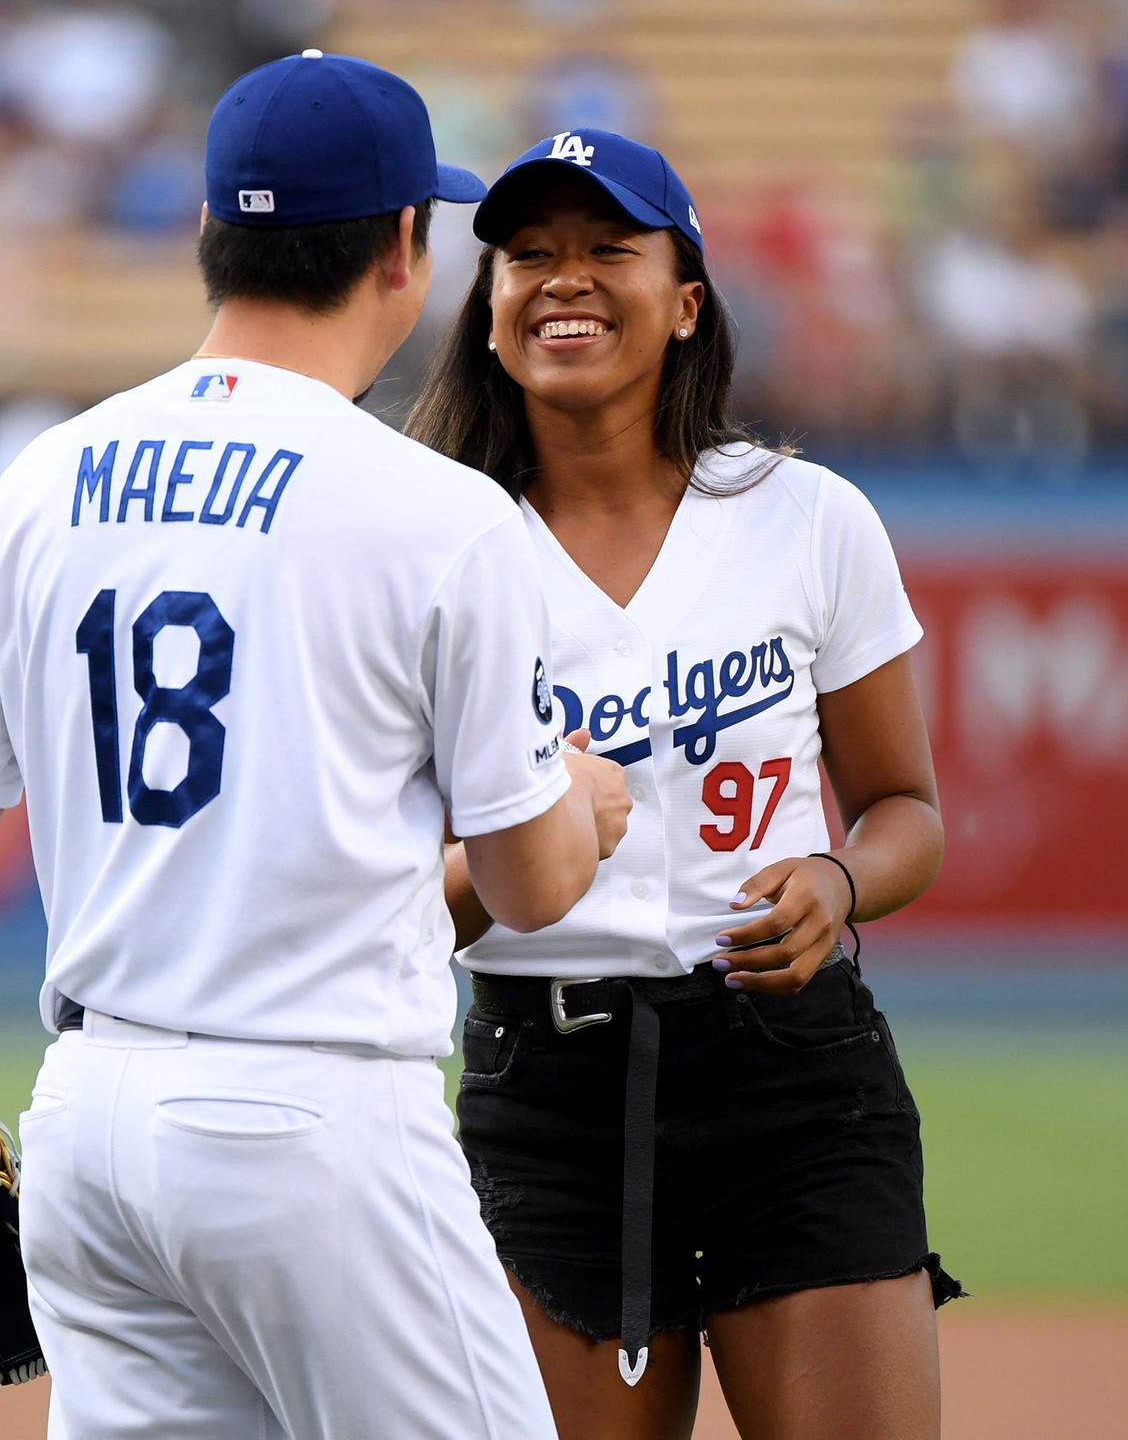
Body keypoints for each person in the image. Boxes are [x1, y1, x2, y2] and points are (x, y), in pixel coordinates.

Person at [0, 56, 630, 1439]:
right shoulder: (439, 514)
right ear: (408, 247)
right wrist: (581, 798)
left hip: (87, 1120)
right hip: (312, 1114)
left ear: (211, 236)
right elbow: (534, 893)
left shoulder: (44, 476)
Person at [406, 128, 962, 1440]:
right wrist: (526, 851)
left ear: (689, 299)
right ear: (487, 310)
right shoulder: (424, 549)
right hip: (546, 1090)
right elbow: (389, 900)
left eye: (609, 248)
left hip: (796, 1078)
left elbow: (909, 813)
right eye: (527, 254)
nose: (564, 278)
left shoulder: (809, 518)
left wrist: (837, 877)